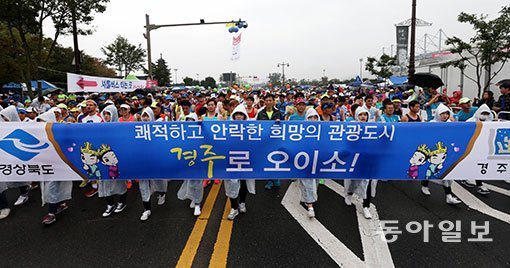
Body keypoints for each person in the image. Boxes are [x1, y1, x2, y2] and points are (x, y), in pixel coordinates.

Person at [36, 110, 73, 225]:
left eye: (43, 122)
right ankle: (56, 207)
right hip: (48, 164)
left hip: (60, 163)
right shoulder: (38, 134)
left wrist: (69, 128)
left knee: (56, 186)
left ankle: (52, 212)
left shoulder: (60, 132)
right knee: (52, 186)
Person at [421, 103, 462, 205]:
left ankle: (448, 196)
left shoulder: (451, 124)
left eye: (447, 113)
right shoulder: (432, 123)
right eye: (442, 113)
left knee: (446, 173)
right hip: (434, 151)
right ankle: (424, 185)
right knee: (430, 170)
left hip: (447, 151)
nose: (445, 116)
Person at [344, 106, 378, 219]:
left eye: (365, 114)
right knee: (353, 181)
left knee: (367, 182)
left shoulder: (373, 128)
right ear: (356, 116)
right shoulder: (351, 127)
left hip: (368, 160)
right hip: (354, 159)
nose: (363, 117)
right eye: (360, 115)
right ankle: (349, 194)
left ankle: (366, 206)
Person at [224, 104, 256, 220]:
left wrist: (276, 124)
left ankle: (242, 202)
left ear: (244, 116)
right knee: (231, 184)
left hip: (244, 159)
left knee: (243, 183)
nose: (238, 117)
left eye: (241, 115)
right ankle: (234, 207)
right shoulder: (226, 128)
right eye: (236, 114)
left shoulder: (250, 128)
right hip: (231, 160)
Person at [138, 107, 168, 221]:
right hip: (142, 162)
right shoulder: (137, 129)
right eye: (143, 115)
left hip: (156, 160)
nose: (145, 118)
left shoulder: (158, 129)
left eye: (147, 115)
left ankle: (162, 193)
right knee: (144, 185)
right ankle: (146, 209)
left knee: (159, 180)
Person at [98, 105, 128, 217]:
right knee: (105, 182)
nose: (106, 116)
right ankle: (109, 204)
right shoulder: (99, 127)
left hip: (117, 159)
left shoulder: (120, 127)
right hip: (104, 160)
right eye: (104, 113)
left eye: (108, 114)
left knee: (119, 181)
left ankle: (122, 202)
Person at [459, 104, 492, 195]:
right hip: (471, 147)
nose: (484, 116)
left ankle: (479, 184)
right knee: (468, 164)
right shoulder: (470, 121)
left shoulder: (490, 123)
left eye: (486, 113)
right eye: (482, 113)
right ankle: (464, 178)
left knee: (479, 165)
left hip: (482, 148)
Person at [256, 94, 282, 190]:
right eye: (266, 100)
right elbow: (257, 126)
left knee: (276, 159)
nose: (268, 102)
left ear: (273, 101)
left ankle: (276, 178)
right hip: (265, 140)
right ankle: (269, 180)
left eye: (270, 100)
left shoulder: (278, 113)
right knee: (267, 160)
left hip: (275, 140)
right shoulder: (260, 113)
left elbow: (283, 126)